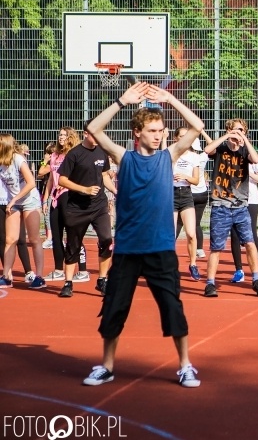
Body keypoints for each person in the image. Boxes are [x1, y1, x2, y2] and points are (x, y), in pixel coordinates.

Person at [81, 81, 202, 388]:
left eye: (160, 130)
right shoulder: (124, 158)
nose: (158, 135)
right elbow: (93, 128)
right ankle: (107, 366)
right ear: (137, 133)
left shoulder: (168, 157)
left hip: (161, 248)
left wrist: (169, 99)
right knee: (114, 308)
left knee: (172, 307)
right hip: (128, 250)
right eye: (152, 130)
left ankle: (185, 366)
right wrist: (122, 101)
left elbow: (197, 126)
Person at [202, 119, 258, 298]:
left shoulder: (245, 150)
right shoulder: (221, 148)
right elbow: (207, 150)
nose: (239, 133)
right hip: (220, 205)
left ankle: (256, 280)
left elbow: (256, 161)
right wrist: (227, 136)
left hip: (240, 206)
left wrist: (244, 140)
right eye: (237, 130)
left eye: (242, 130)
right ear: (229, 130)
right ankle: (210, 283)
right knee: (216, 247)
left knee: (250, 243)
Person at [56, 122, 116, 297]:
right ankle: (68, 283)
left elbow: (104, 175)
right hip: (77, 208)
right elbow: (62, 180)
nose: (97, 137)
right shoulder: (74, 154)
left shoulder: (102, 152)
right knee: (73, 245)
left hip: (99, 206)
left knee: (107, 239)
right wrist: (84, 189)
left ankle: (102, 280)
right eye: (94, 133)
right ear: (85, 134)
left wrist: (115, 190)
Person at [0, 135, 46, 289]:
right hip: (14, 202)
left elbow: (31, 182)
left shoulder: (18, 159)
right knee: (10, 239)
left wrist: (14, 200)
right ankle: (6, 276)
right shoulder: (1, 162)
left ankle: (39, 276)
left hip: (29, 200)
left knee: (34, 239)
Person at [41, 127, 82, 281]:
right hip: (55, 198)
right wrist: (45, 199)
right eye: (60, 135)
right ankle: (58, 269)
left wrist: (66, 185)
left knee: (73, 233)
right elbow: (51, 178)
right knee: (56, 235)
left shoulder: (74, 154)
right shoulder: (54, 155)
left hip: (69, 196)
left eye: (64, 135)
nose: (61, 137)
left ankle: (82, 269)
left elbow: (78, 176)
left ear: (71, 137)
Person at [229, 155, 258, 283]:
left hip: (251, 201)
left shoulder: (253, 161)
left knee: (251, 235)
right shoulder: (231, 160)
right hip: (235, 201)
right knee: (234, 235)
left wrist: (248, 172)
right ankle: (239, 270)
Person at [172, 127, 201, 279]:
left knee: (191, 233)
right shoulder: (171, 154)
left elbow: (196, 180)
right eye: (181, 136)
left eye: (186, 136)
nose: (184, 139)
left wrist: (185, 176)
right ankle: (169, 266)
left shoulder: (194, 157)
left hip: (186, 194)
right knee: (170, 235)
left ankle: (193, 264)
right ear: (176, 138)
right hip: (171, 194)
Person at [176, 133, 211, 261]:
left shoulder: (187, 157)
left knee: (179, 222)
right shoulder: (202, 157)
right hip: (201, 193)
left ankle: (171, 247)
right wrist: (203, 132)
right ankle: (200, 249)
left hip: (189, 192)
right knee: (196, 223)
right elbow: (212, 146)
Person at [38, 142, 56, 249]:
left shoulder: (52, 164)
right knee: (46, 214)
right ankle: (49, 237)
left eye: (49, 153)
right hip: (45, 190)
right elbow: (39, 175)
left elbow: (41, 172)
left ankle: (50, 238)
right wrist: (44, 161)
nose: (47, 155)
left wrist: (45, 161)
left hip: (51, 192)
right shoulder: (46, 163)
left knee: (48, 215)